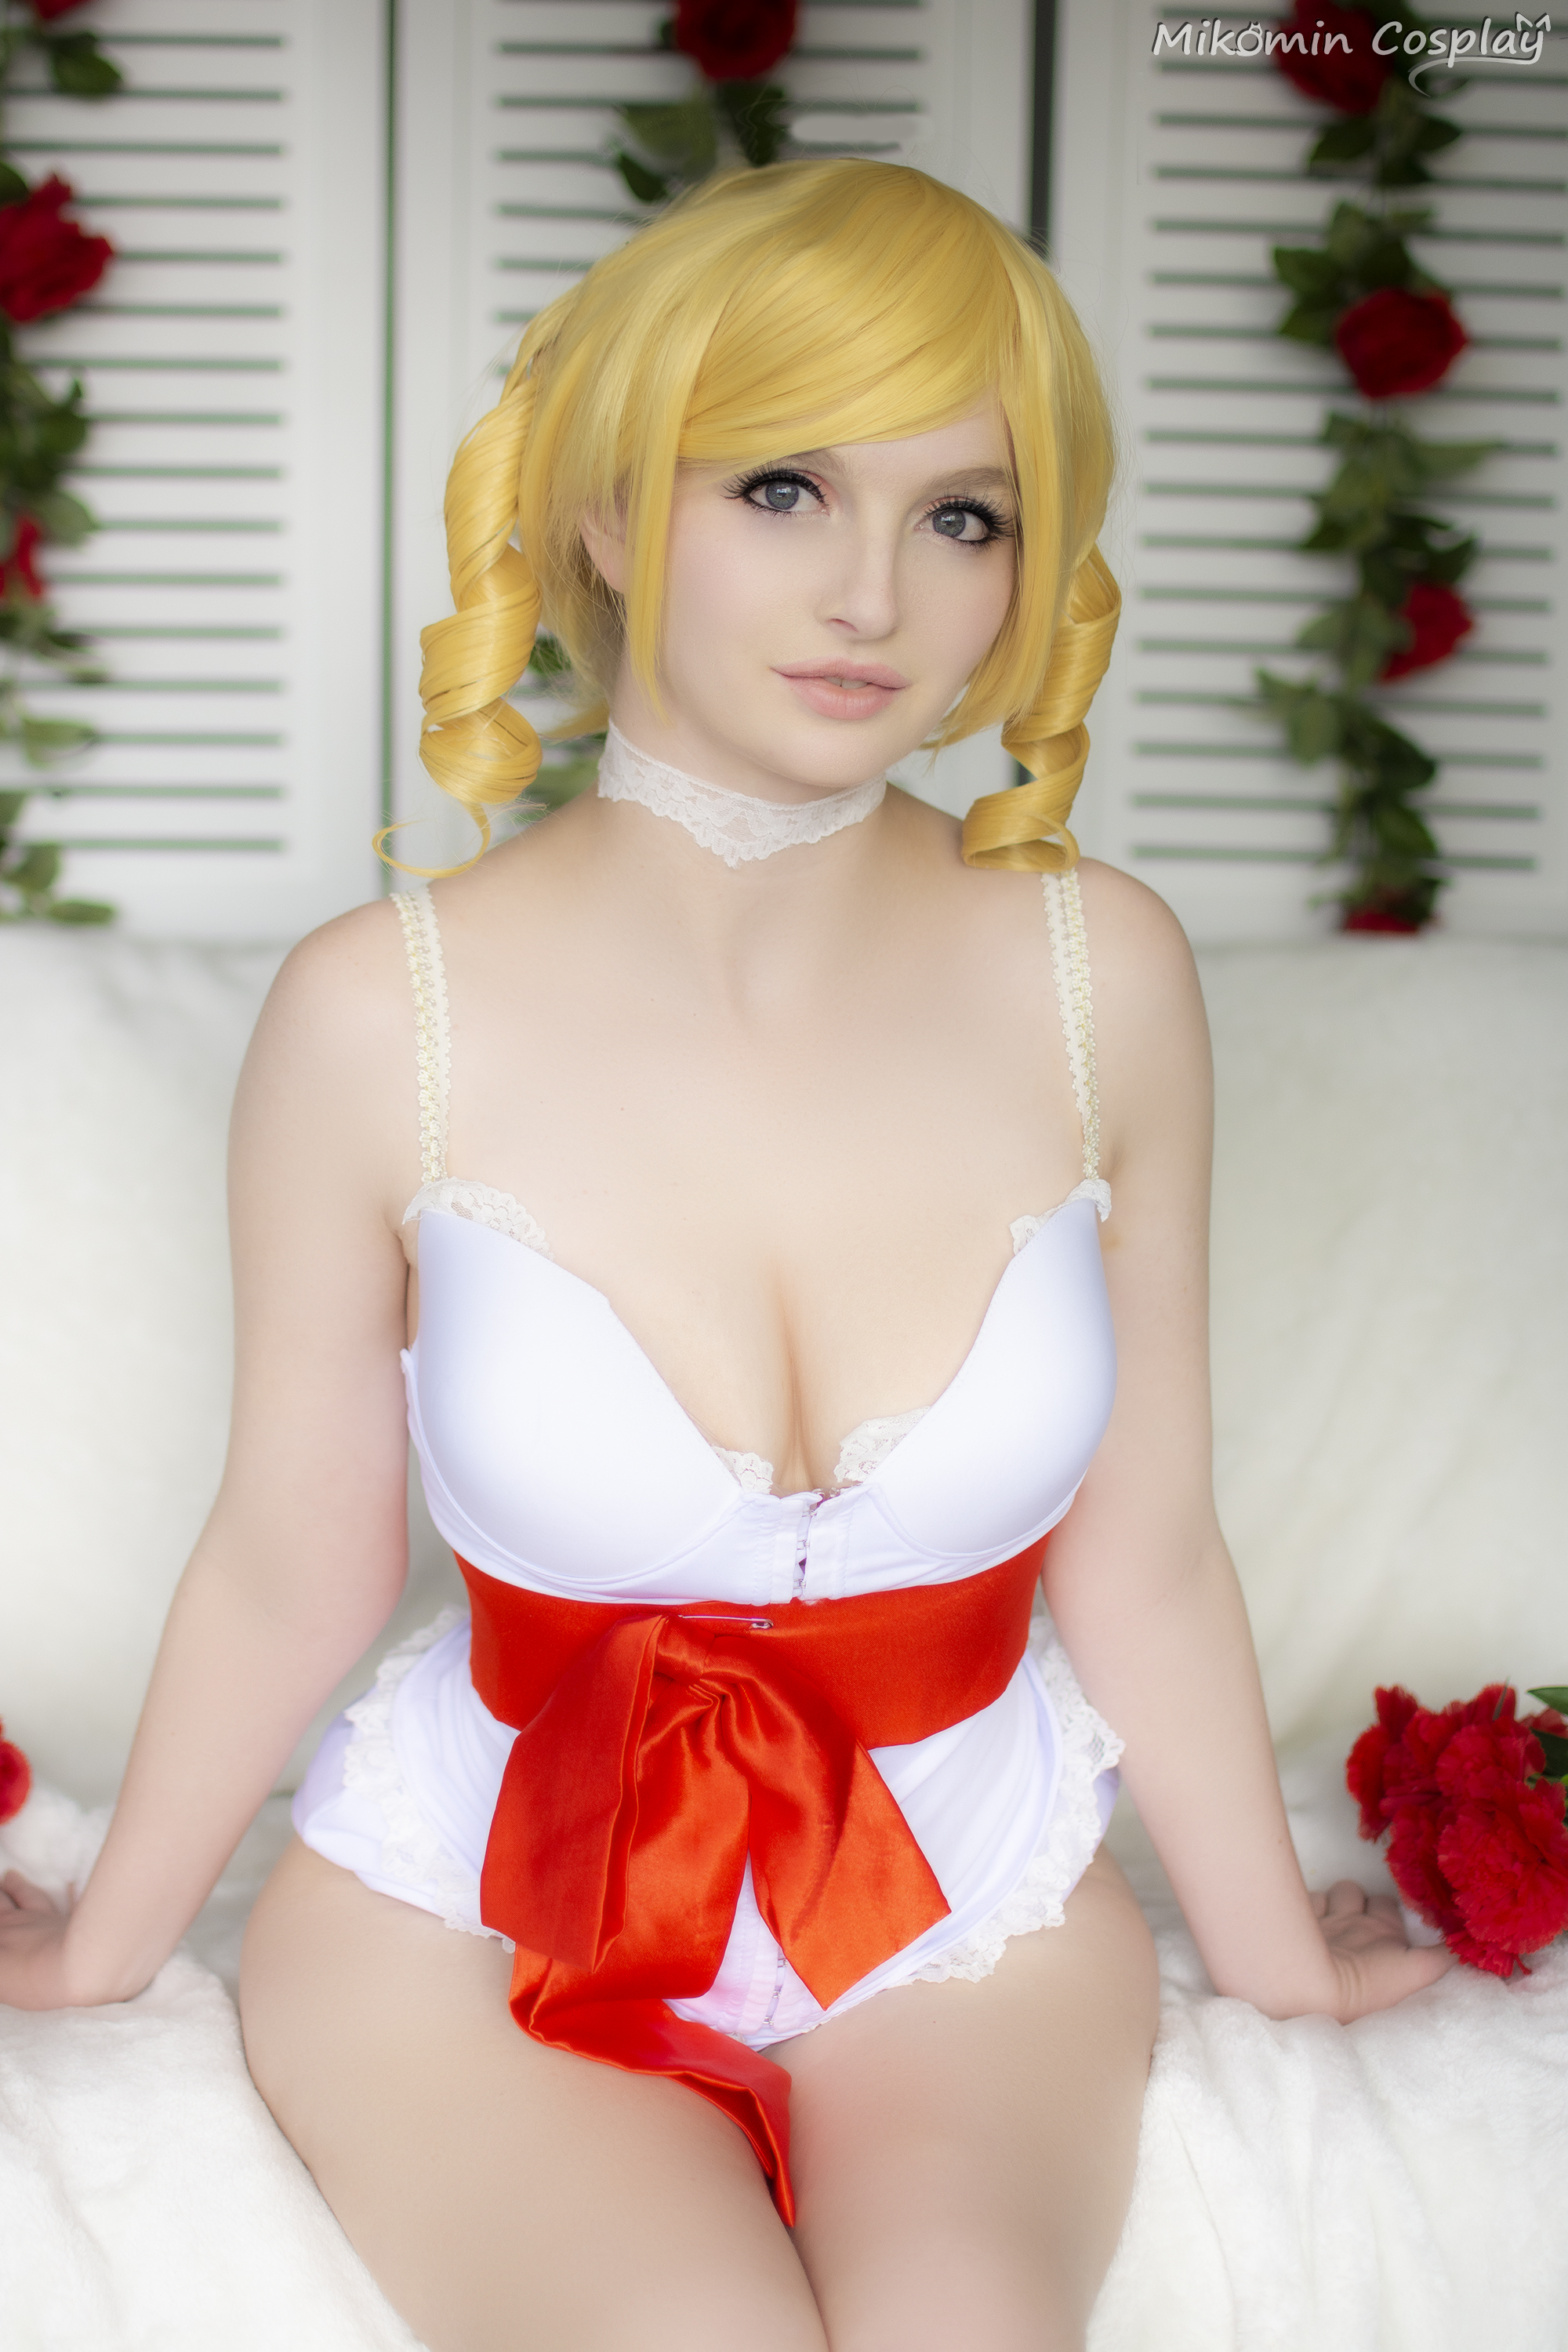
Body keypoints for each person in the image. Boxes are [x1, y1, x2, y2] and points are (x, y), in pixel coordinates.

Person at [0, 161, 1450, 2352]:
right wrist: (101, 1951)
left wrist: (1283, 1975)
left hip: (962, 1890)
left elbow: (1146, 1556)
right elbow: (296, 1557)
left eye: (965, 515)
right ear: (607, 511)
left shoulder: (1103, 977)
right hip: (471, 1906)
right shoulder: (381, 1016)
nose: (875, 590)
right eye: (784, 486)